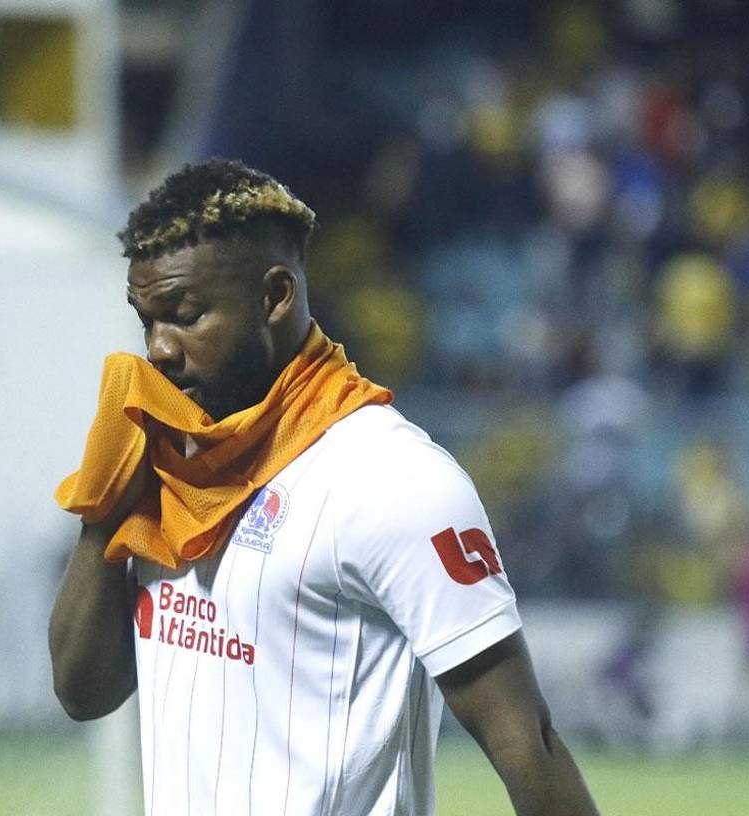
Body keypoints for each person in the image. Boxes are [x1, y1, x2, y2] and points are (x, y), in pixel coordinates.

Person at [49, 159, 598, 815]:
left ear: (275, 296)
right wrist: (104, 514)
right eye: (148, 321)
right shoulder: (170, 462)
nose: (160, 350)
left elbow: (527, 742)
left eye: (186, 314)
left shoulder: (392, 479)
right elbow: (84, 693)